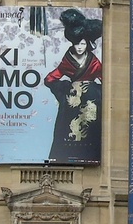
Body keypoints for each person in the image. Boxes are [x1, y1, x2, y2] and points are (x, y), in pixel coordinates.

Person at [44, 8, 103, 163]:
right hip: (72, 103)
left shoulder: (95, 63)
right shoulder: (67, 61)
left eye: (82, 43)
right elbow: (49, 79)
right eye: (77, 43)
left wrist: (96, 92)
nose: (79, 47)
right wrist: (64, 88)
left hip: (91, 104)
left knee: (90, 133)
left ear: (88, 43)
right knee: (66, 131)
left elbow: (106, 81)